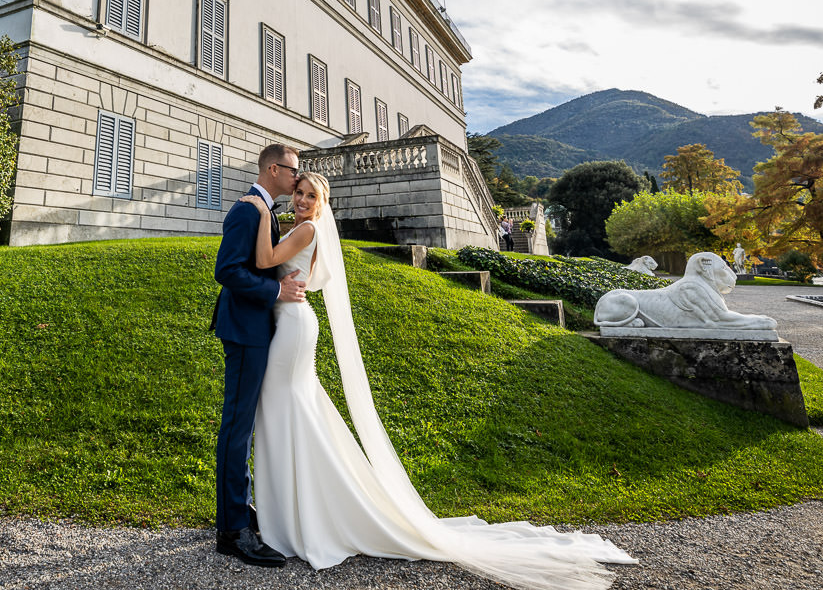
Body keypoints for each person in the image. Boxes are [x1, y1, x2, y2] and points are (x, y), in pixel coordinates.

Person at [236, 172, 635, 589]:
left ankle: (302, 516)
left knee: (289, 411)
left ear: (322, 202)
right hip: (290, 322)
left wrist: (261, 210)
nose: (300, 199)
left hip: (293, 327)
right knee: (292, 412)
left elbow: (264, 261)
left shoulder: (306, 229)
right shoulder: (304, 227)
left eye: (309, 195)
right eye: (298, 192)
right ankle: (295, 511)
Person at [210, 144, 307, 568]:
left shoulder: (265, 210)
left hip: (258, 328)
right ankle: (232, 531)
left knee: (245, 425)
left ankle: (239, 511)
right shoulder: (247, 210)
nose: (296, 179)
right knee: (237, 426)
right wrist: (275, 292)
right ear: (273, 169)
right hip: (246, 330)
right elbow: (227, 270)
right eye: (292, 172)